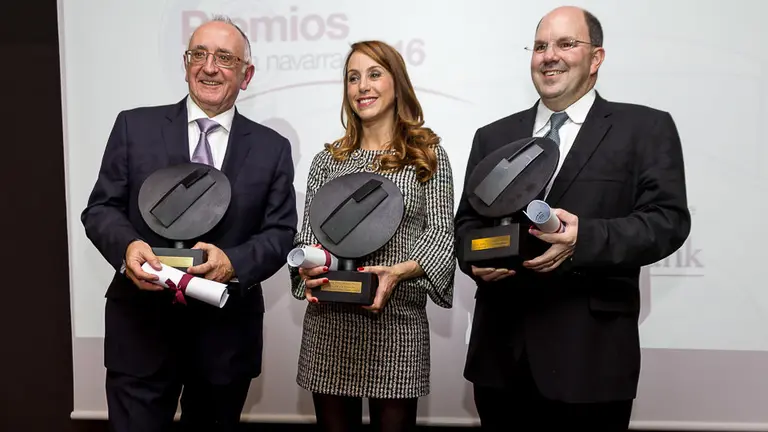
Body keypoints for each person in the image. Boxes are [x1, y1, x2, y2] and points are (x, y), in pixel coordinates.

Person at [455, 6, 691, 430]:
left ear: (596, 58)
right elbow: (467, 225)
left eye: (566, 44)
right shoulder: (494, 136)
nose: (550, 56)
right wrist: (477, 261)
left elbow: (667, 221)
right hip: (501, 360)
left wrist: (586, 238)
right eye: (541, 46)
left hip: (591, 360)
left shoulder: (645, 128)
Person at [81, 16, 297, 432]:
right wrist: (128, 249)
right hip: (140, 334)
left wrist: (233, 262)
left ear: (246, 75)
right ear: (185, 64)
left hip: (225, 340)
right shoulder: (134, 126)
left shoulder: (272, 149)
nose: (209, 67)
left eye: (224, 58)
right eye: (198, 54)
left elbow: (281, 232)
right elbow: (101, 210)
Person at [290, 40, 456, 431]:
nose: (362, 86)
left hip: (398, 325)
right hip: (329, 328)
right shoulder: (327, 161)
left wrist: (396, 273)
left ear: (397, 83)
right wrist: (305, 268)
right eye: (353, 77)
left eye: (374, 74)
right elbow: (305, 238)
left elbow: (441, 234)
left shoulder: (426, 155)